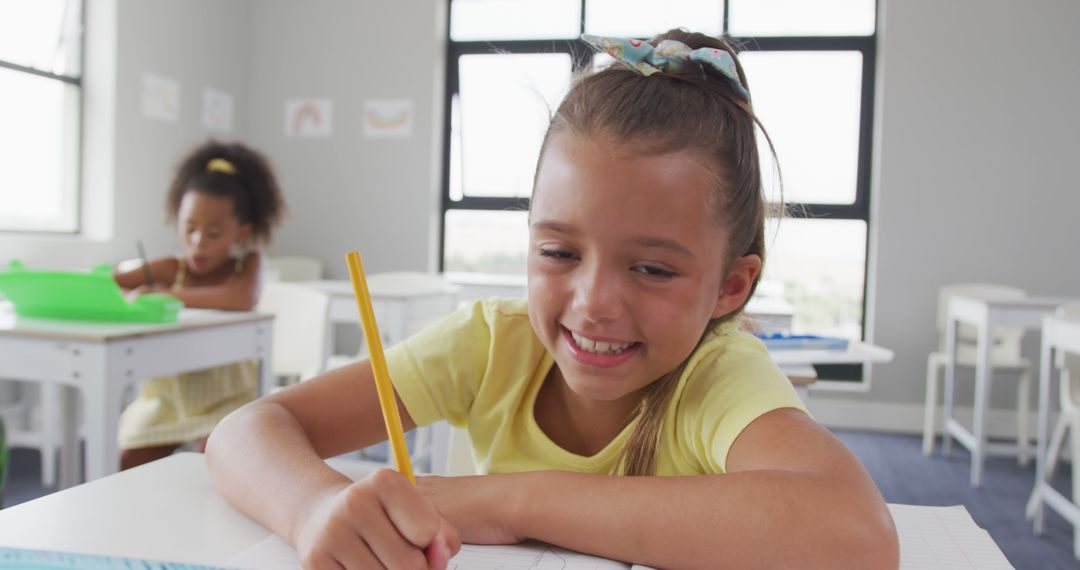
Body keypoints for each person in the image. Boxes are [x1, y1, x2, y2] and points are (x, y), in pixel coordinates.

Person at [206, 30, 898, 570]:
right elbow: (243, 433)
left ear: (730, 287)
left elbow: (856, 535)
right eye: (559, 253)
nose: (594, 302)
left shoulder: (716, 376)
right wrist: (313, 507)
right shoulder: (490, 342)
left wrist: (512, 499)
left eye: (653, 269)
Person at [114, 140, 285, 470]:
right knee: (129, 457)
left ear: (241, 233)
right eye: (189, 228)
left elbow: (240, 299)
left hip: (229, 400)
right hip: (166, 401)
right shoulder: (170, 268)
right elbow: (109, 285)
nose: (198, 242)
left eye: (214, 232)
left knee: (217, 457)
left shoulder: (247, 265)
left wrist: (165, 296)